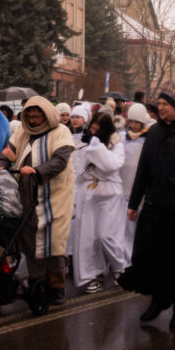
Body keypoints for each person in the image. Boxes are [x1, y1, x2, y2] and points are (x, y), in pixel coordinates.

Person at [121, 82, 175, 329]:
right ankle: (159, 300)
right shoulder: (155, 132)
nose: (160, 108)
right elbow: (143, 169)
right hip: (155, 206)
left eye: (165, 104)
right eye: (159, 103)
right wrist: (134, 202)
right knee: (152, 257)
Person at [0, 96, 75, 305]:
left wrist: (37, 170)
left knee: (53, 243)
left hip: (54, 197)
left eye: (37, 116)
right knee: (30, 241)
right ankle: (37, 281)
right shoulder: (23, 131)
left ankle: (57, 285)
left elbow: (60, 161)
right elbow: (9, 152)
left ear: (46, 115)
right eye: (29, 116)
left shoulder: (61, 133)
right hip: (28, 195)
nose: (32, 120)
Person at [70, 111, 127, 293]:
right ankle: (95, 275)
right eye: (92, 128)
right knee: (89, 239)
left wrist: (96, 149)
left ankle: (119, 268)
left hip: (109, 194)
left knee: (106, 235)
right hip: (89, 194)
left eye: (97, 129)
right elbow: (78, 171)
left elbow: (111, 166)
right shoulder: (85, 142)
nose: (93, 132)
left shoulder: (116, 143)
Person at [120, 103, 154, 262]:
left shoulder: (149, 139)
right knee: (126, 227)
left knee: (141, 227)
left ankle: (141, 258)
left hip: (141, 189)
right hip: (125, 187)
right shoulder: (122, 138)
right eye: (131, 121)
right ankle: (127, 260)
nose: (133, 125)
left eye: (136, 122)